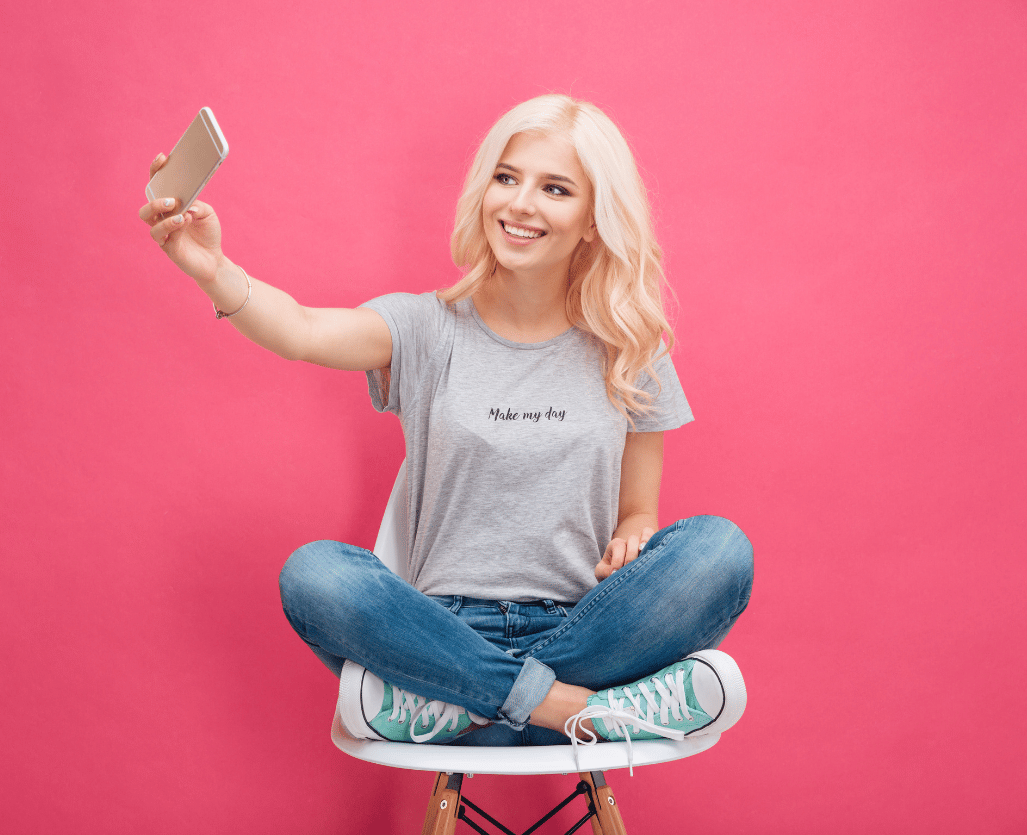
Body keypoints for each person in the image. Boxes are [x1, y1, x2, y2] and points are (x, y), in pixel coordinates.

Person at [139, 94, 754, 759]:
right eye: (506, 177)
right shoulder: (425, 327)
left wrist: (633, 538)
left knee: (719, 548)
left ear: (591, 220)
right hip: (436, 627)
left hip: (580, 626)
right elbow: (300, 331)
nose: (519, 204)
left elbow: (638, 512)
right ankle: (574, 710)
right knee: (314, 573)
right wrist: (212, 269)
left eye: (554, 188)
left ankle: (462, 705)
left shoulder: (632, 347)